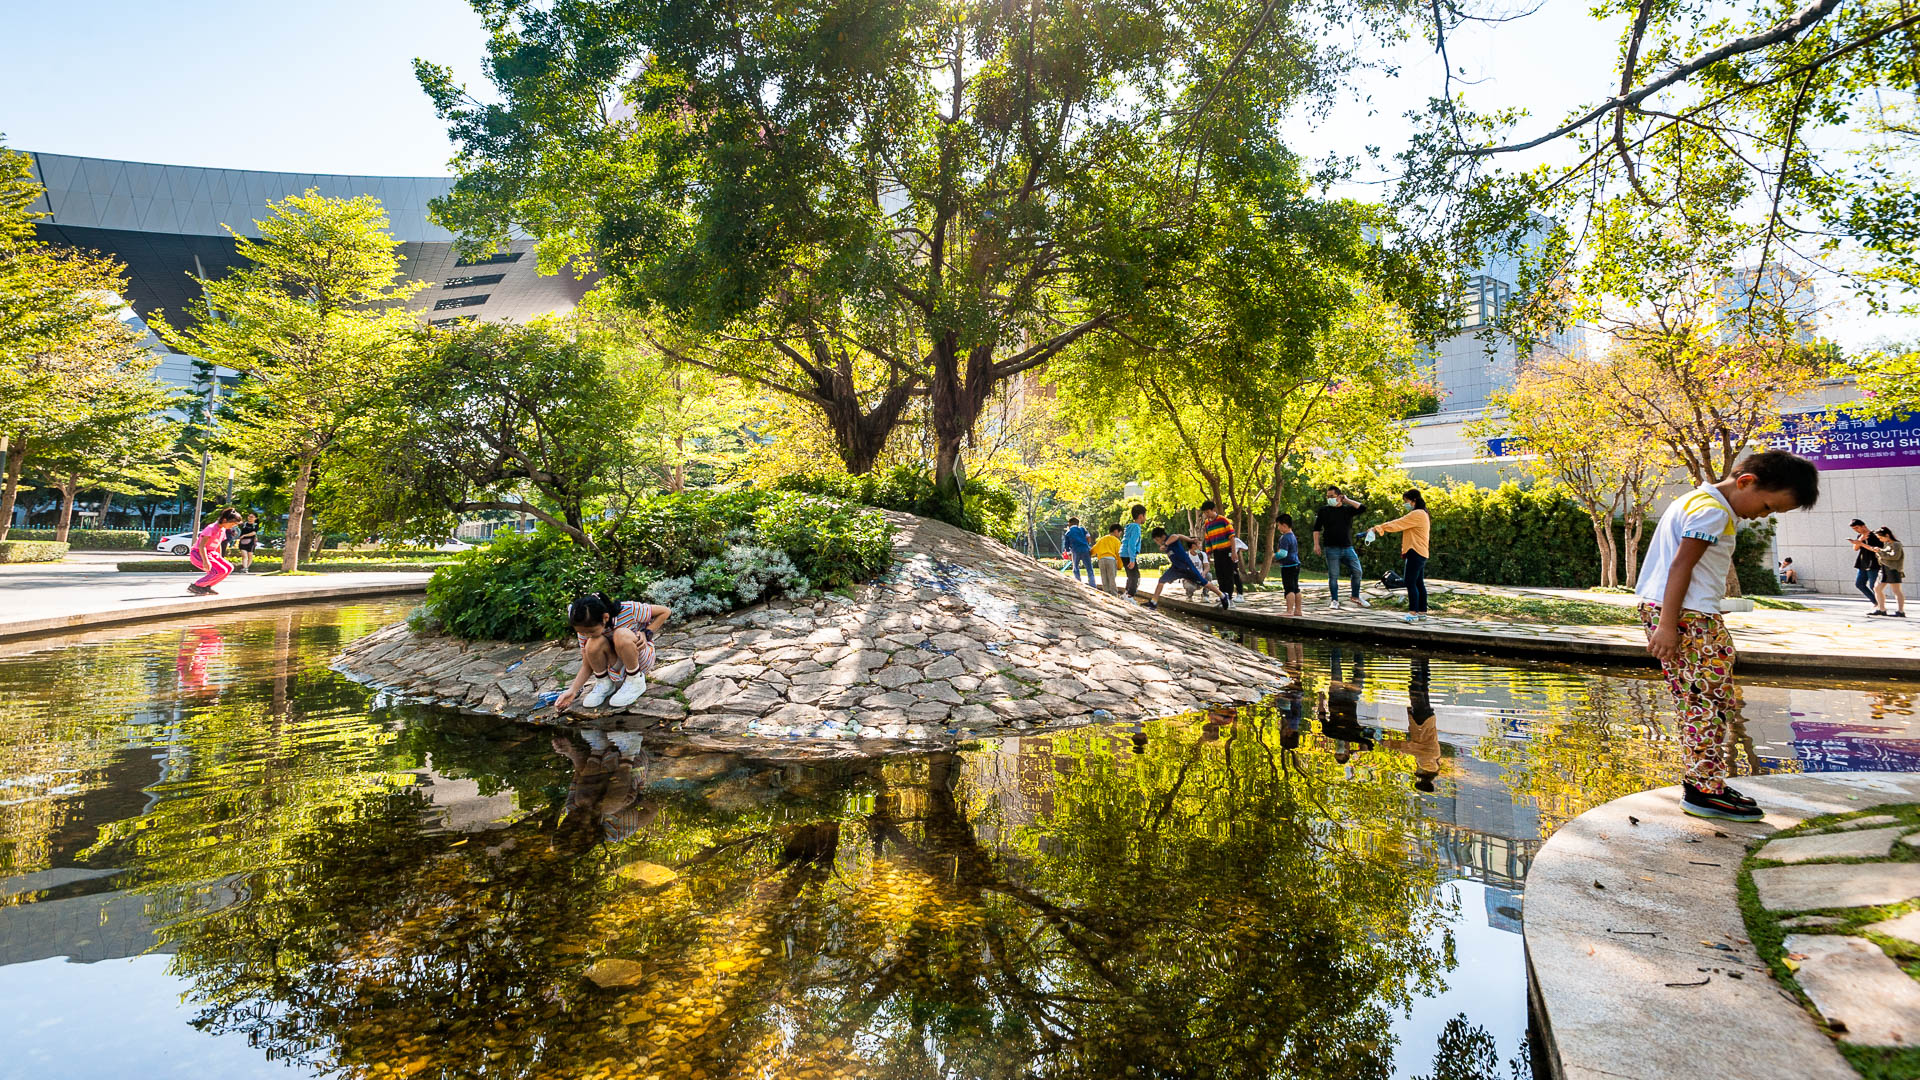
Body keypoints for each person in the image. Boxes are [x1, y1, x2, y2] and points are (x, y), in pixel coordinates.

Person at [1635, 449, 1819, 821]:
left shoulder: (1697, 500)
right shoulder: (1714, 511)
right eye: (1767, 506)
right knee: (1708, 703)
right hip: (1686, 617)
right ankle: (1704, 790)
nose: (1762, 515)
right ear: (1747, 482)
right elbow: (1680, 566)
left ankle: (1705, 782)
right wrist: (1670, 625)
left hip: (1684, 613)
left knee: (1702, 701)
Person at [554, 593, 672, 712]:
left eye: (590, 631)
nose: (586, 635)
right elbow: (587, 663)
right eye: (582, 632)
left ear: (605, 617)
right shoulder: (585, 628)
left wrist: (647, 633)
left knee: (621, 634)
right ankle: (605, 684)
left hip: (638, 659)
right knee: (592, 643)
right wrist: (572, 691)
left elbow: (665, 611)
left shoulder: (629, 609)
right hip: (615, 663)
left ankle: (635, 681)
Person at [1368, 489, 1432, 622]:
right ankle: (1422, 612)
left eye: (1406, 501)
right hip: (1421, 552)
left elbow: (1398, 523)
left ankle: (1413, 613)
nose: (1405, 504)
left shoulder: (1417, 514)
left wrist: (1377, 528)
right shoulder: (1423, 513)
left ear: (1413, 500)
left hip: (1415, 551)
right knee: (1419, 583)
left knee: (1410, 582)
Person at [1311, 485, 1368, 609]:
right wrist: (1316, 544)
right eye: (1328, 496)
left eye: (1332, 496)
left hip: (1347, 547)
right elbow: (1316, 529)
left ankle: (1355, 596)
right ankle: (1335, 600)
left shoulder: (1347, 510)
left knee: (1357, 571)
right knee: (1333, 576)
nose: (1329, 498)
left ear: (1339, 497)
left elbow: (1363, 508)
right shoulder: (1323, 511)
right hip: (1331, 548)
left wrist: (1347, 500)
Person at [1147, 527, 1224, 610]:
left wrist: (1166, 544)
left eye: (1157, 540)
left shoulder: (1170, 539)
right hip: (1176, 568)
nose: (1158, 543)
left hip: (1186, 567)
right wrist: (1190, 540)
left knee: (1204, 582)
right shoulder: (1167, 544)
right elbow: (1180, 536)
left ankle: (1222, 596)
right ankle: (1153, 602)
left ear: (1162, 537)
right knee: (1161, 580)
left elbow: (1176, 536)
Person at [186, 508, 241, 596]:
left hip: (211, 553)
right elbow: (202, 546)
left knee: (229, 567)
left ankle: (206, 586)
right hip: (199, 553)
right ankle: (196, 586)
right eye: (232, 524)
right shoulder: (211, 528)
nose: (233, 526)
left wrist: (219, 558)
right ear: (224, 520)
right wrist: (205, 561)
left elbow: (218, 543)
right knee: (220, 570)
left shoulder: (223, 529)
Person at [1406, 657, 1440, 793]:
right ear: (1422, 777)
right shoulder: (1426, 762)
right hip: (1421, 723)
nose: (1417, 769)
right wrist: (1386, 743)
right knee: (1415, 689)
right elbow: (1411, 748)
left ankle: (1424, 661)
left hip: (1429, 721)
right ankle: (1416, 660)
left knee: (1424, 688)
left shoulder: (1436, 762)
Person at [1199, 500, 1241, 609]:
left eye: (1208, 512)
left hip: (1227, 550)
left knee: (1228, 575)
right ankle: (1223, 597)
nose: (1206, 515)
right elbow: (1207, 540)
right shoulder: (1207, 523)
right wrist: (1208, 554)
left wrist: (1233, 552)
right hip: (1217, 552)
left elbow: (1232, 537)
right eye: (1205, 513)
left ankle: (1230, 599)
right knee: (1220, 575)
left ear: (1213, 510)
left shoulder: (1224, 521)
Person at [1872, 527, 1906, 618]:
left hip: (1893, 569)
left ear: (1887, 535)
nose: (1880, 539)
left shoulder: (1896, 544)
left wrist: (1880, 552)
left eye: (1880, 537)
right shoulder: (1886, 543)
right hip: (1883, 568)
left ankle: (1900, 611)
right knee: (1877, 588)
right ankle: (1881, 609)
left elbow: (1894, 557)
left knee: (1896, 590)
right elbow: (1885, 555)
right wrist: (1879, 551)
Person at [1274, 513, 1303, 616]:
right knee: (1296, 588)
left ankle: (1289, 611)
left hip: (1288, 566)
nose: (1278, 528)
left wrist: (1274, 556)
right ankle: (1298, 610)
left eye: (1278, 525)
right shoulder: (1293, 536)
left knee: (1289, 588)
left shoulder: (1285, 538)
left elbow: (1283, 553)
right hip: (1296, 564)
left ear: (1284, 525)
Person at [1850, 518, 1885, 605]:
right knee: (1859, 584)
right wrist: (1860, 540)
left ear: (1863, 526)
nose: (1856, 530)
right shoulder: (1860, 537)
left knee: (1873, 586)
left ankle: (1881, 606)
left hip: (1874, 563)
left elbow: (1876, 549)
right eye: (1854, 529)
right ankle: (1876, 603)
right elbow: (1855, 549)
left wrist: (1861, 543)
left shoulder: (1875, 535)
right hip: (1863, 563)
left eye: (1857, 528)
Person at [1120, 504, 1146, 598]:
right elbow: (1132, 543)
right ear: (1140, 516)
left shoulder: (1130, 526)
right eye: (1145, 516)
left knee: (1131, 576)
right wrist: (1132, 559)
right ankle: (1129, 596)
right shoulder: (1136, 527)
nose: (1145, 518)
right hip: (1128, 554)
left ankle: (1126, 594)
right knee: (1136, 577)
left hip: (1124, 553)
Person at [1061, 517, 1095, 588]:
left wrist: (1069, 553)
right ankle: (1092, 585)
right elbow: (1088, 537)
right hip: (1085, 549)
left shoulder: (1068, 532)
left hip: (1075, 550)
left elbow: (1066, 544)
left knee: (1075, 567)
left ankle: (1078, 583)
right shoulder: (1082, 529)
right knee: (1089, 568)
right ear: (1078, 523)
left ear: (1070, 523)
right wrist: (1086, 543)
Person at [1091, 524, 1123, 594]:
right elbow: (1119, 554)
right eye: (1120, 533)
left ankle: (1106, 593)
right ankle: (1114, 594)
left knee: (1104, 579)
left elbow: (1094, 549)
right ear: (1116, 531)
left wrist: (1089, 554)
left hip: (1101, 560)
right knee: (1112, 579)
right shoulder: (1116, 541)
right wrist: (1119, 566)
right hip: (1111, 560)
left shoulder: (1102, 539)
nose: (1119, 535)